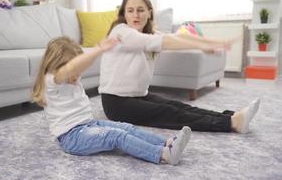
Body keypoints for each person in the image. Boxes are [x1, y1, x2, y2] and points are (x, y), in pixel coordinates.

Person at [99, 0, 260, 133]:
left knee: (178, 106)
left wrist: (212, 43)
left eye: (140, 10)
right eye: (130, 10)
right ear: (124, 14)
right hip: (116, 102)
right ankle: (230, 123)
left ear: (149, 13)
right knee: (169, 113)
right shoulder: (121, 32)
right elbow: (166, 42)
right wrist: (201, 45)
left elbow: (177, 37)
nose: (136, 15)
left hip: (138, 95)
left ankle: (232, 116)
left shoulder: (149, 33)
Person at [32, 36, 192, 165]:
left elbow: (76, 66)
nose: (78, 75)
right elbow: (69, 69)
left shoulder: (70, 77)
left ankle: (167, 143)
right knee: (116, 136)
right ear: (55, 65)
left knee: (126, 128)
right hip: (71, 137)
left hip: (89, 123)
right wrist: (98, 49)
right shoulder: (52, 80)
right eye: (76, 71)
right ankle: (164, 154)